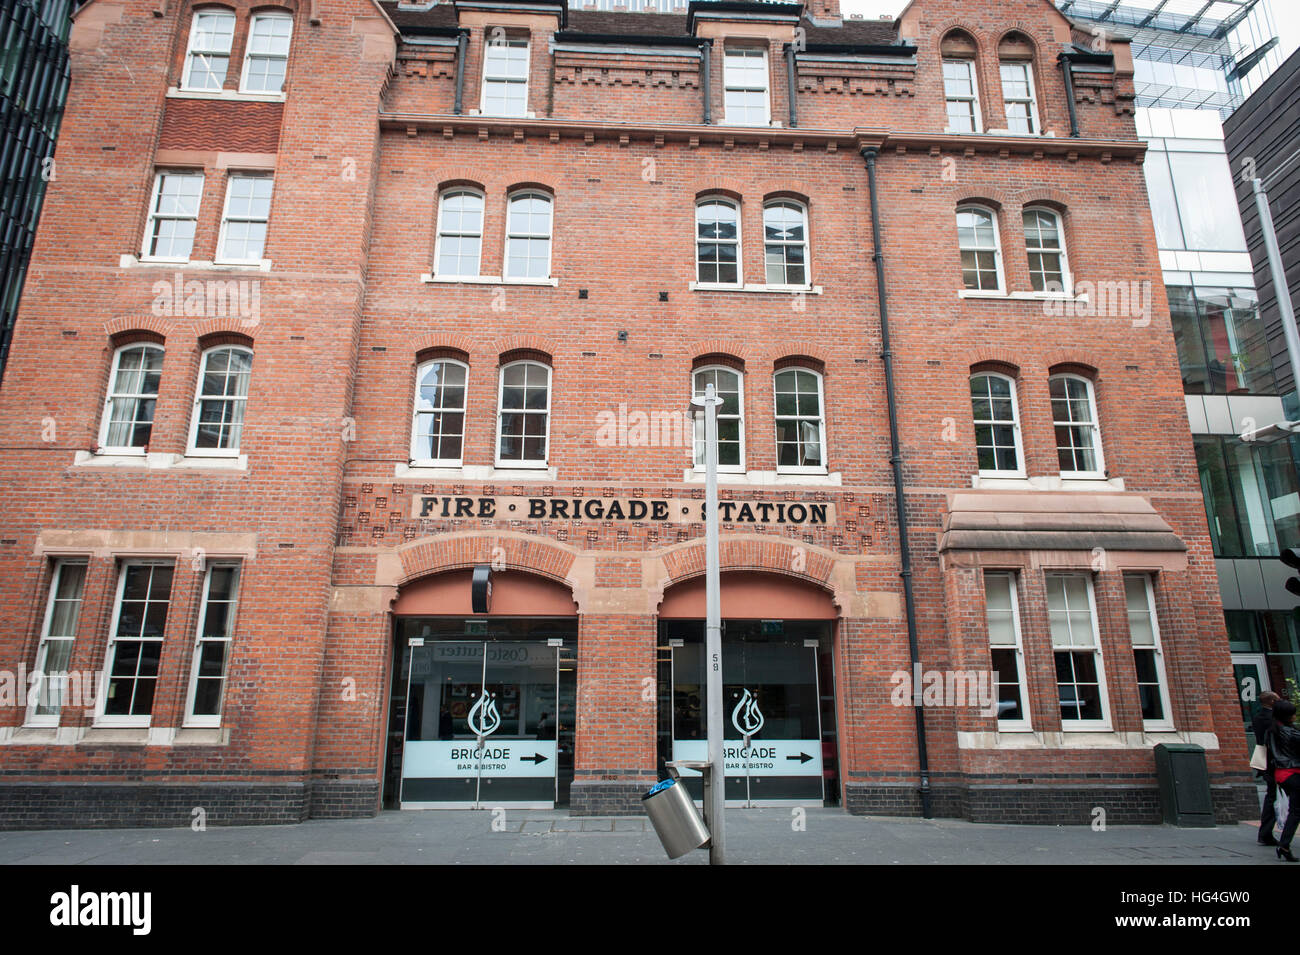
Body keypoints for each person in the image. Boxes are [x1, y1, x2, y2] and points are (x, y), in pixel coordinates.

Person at [1267, 698, 1300, 862]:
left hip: (1281, 773)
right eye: (1292, 713)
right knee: (1296, 811)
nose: (1295, 716)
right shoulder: (1290, 732)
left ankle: (1284, 845)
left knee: (1296, 810)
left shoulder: (1273, 730)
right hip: (1293, 772)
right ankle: (1284, 845)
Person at [1255, 691, 1281, 845]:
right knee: (1272, 797)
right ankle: (1266, 833)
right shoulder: (1272, 720)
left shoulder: (1259, 717)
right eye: (1277, 699)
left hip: (1267, 763)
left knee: (1271, 796)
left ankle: (1266, 832)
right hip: (1275, 764)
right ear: (1271, 701)